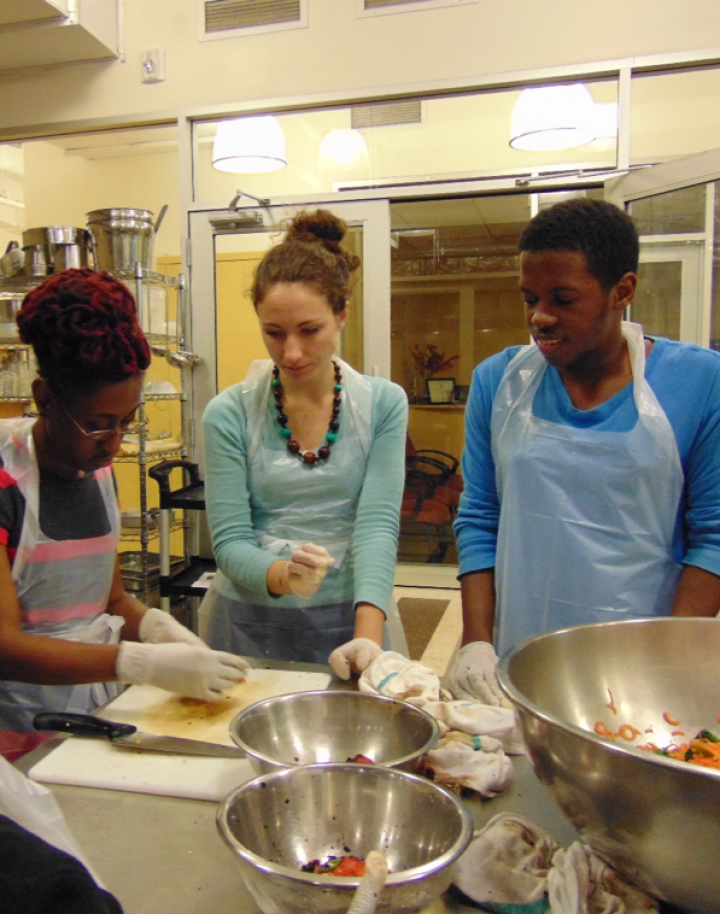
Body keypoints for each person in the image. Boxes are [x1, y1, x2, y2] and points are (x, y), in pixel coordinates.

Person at [448, 198, 720, 703]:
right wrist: (477, 642)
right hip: (517, 652)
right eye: (529, 298)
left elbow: (714, 539)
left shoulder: (701, 383)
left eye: (562, 299)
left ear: (623, 291)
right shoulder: (499, 382)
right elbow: (481, 517)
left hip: (642, 661)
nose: (539, 317)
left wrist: (666, 664)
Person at [0, 268, 248, 760]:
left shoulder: (95, 469)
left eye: (127, 422)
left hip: (98, 717)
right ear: (44, 397)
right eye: (97, 426)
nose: (113, 445)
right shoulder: (7, 482)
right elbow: (4, 647)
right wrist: (138, 662)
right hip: (18, 735)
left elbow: (111, 600)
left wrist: (159, 630)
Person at [201, 209, 408, 678]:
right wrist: (285, 575)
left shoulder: (383, 405)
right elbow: (231, 541)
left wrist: (367, 641)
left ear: (341, 316)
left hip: (353, 614)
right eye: (273, 333)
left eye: (309, 331)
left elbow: (376, 528)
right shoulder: (229, 413)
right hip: (250, 617)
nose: (290, 352)